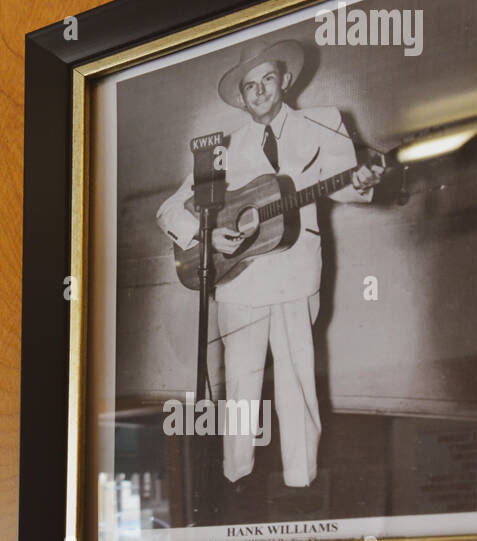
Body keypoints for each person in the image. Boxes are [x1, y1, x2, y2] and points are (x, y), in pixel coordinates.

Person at [156, 40, 383, 489]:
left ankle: (302, 480)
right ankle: (235, 475)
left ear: (285, 80)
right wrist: (205, 234)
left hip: (297, 273)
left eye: (267, 80)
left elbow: (344, 185)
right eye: (249, 86)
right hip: (239, 279)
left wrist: (362, 179)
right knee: (241, 383)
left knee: (297, 380)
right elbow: (169, 210)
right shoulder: (222, 148)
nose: (259, 91)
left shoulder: (324, 124)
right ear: (241, 98)